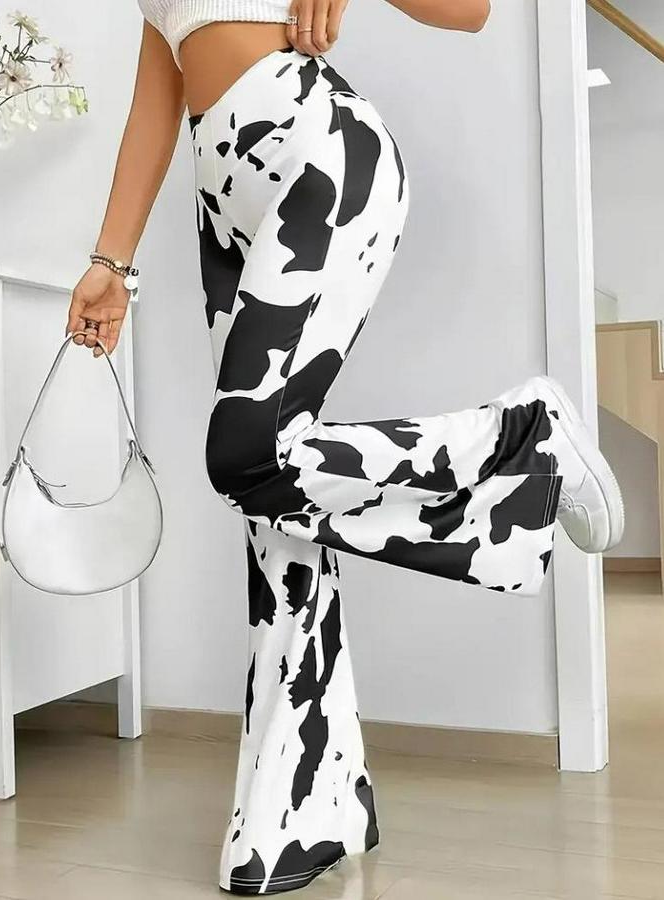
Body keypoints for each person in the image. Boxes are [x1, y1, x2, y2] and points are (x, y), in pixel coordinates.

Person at [65, 1, 624, 894]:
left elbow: (471, 11)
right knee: (273, 505)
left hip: (313, 152)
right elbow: (159, 83)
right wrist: (112, 263)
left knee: (246, 455)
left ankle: (521, 438)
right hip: (223, 196)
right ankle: (309, 808)